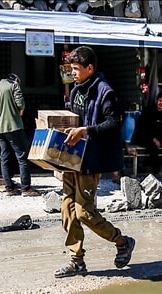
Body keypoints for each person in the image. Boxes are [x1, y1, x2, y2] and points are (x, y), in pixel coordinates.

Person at [54, 45, 135, 278]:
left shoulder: (105, 91)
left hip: (91, 160)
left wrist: (85, 131)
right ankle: (76, 261)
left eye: (77, 69)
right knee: (67, 210)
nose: (73, 73)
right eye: (71, 69)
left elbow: (112, 124)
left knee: (84, 212)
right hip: (72, 158)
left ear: (90, 68)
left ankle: (122, 241)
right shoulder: (77, 89)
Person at [0, 73, 37, 196]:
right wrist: (20, 111)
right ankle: (26, 188)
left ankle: (9, 188)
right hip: (14, 127)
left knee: (5, 157)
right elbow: (20, 104)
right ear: (15, 79)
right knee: (23, 157)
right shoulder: (14, 85)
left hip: (0, 129)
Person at [131, 93, 162, 176]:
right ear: (156, 101)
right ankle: (155, 172)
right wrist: (153, 139)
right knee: (153, 148)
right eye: (159, 101)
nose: (161, 103)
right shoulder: (148, 111)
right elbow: (143, 128)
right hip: (147, 137)